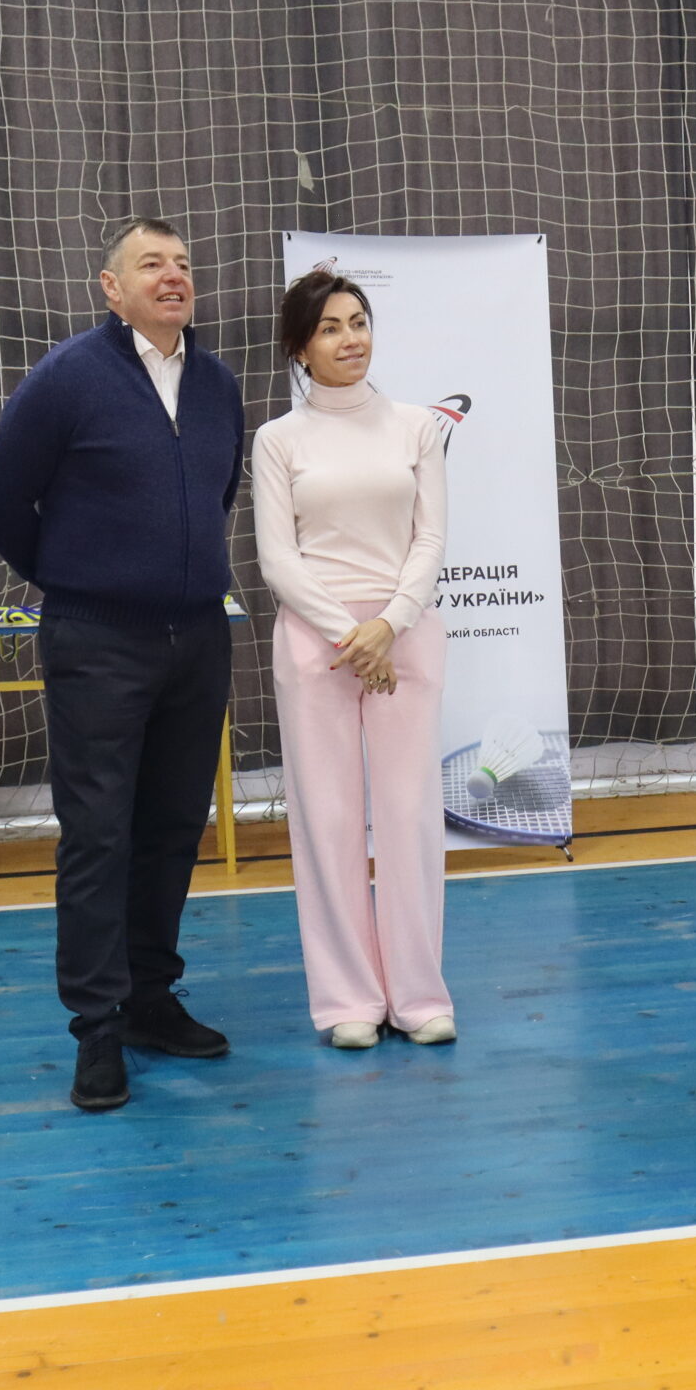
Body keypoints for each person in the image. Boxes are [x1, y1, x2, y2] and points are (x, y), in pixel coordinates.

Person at [0, 217, 244, 1111]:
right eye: (150, 264)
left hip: (197, 637)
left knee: (173, 824)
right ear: (111, 287)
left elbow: (217, 492)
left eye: (183, 263)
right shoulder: (67, 377)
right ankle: (96, 1026)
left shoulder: (217, 384)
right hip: (97, 640)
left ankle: (150, 999)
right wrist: (71, 573)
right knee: (97, 834)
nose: (173, 276)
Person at [253, 269, 454, 1050]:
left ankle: (419, 994)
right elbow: (279, 558)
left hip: (405, 636)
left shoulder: (417, 427)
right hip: (318, 642)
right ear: (300, 347)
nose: (351, 339)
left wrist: (389, 624)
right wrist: (351, 634)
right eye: (331, 327)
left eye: (359, 321)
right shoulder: (279, 440)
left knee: (409, 815)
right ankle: (347, 999)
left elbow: (430, 538)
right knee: (329, 819)